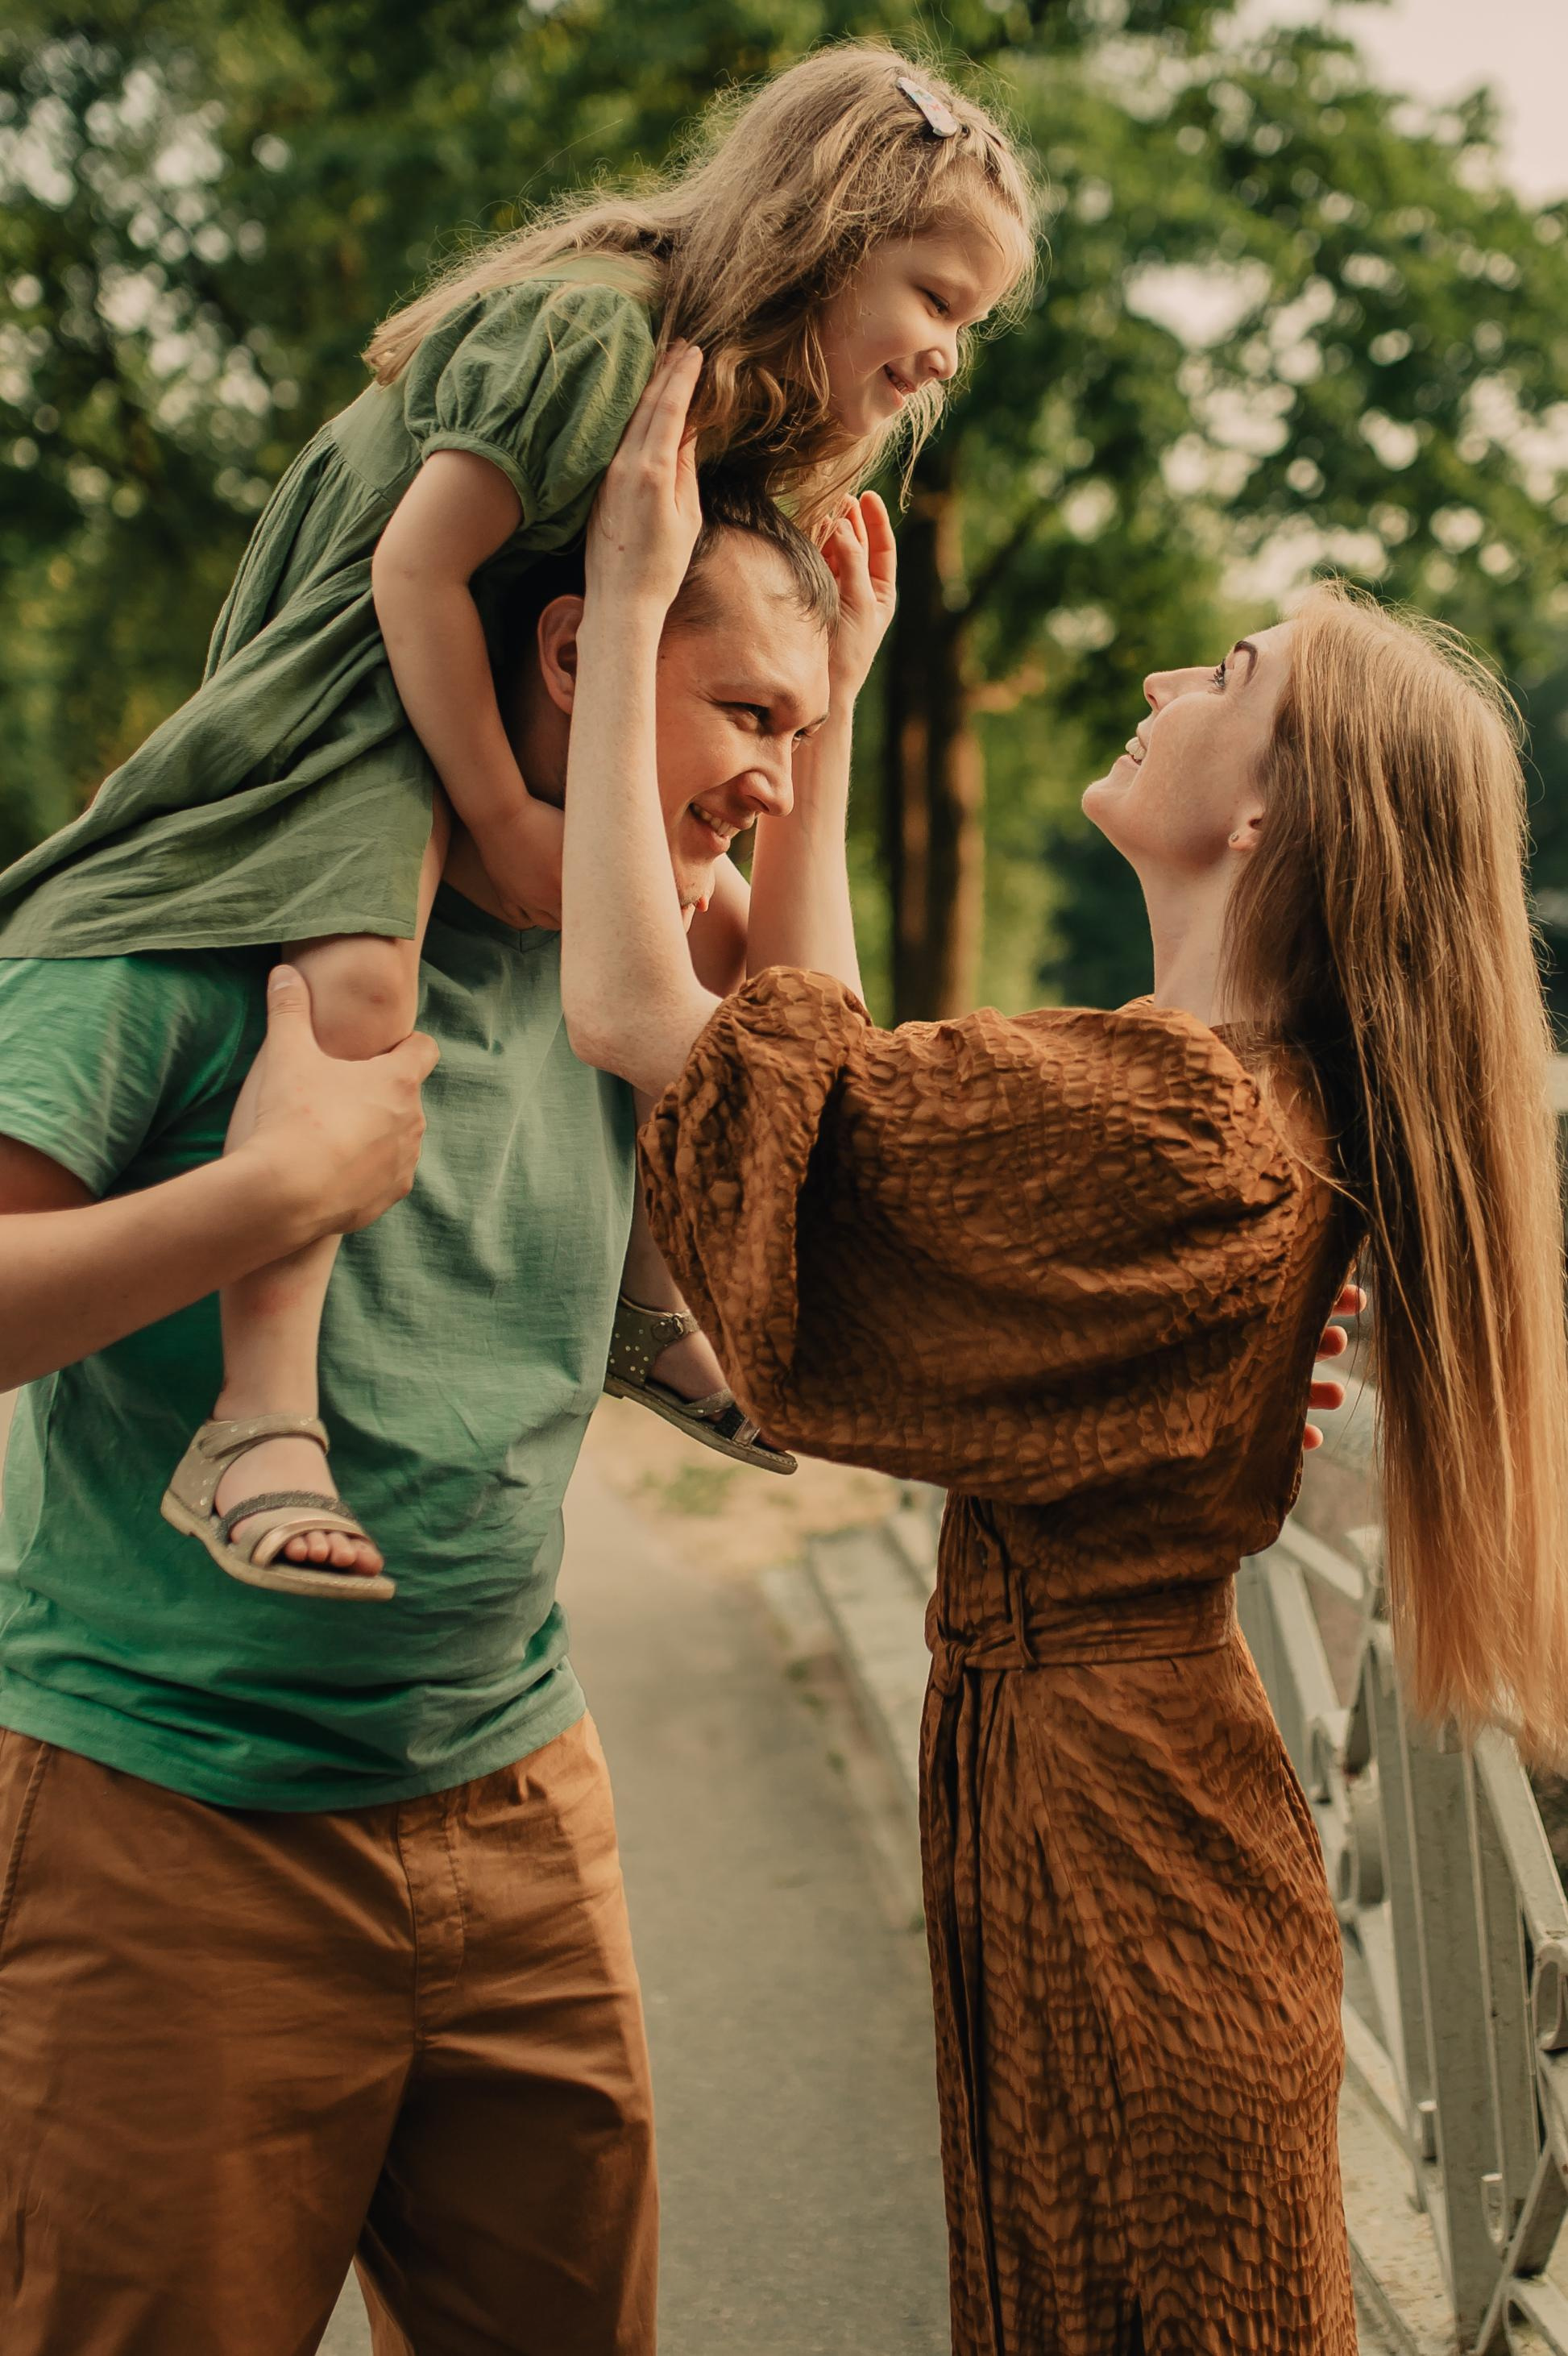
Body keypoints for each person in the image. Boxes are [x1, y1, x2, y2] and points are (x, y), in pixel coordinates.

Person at [558, 351, 1568, 2353]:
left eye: (1229, 674)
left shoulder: (1179, 1125)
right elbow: (825, 1099)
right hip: (1101, 1800)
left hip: (1124, 1843)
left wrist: (630, 607)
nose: (1172, 677)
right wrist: (835, 716)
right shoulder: (1199, 1089)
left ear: (1270, 810)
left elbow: (645, 1021)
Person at [0, 475, 863, 2355]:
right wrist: (265, 1196)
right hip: (169, 1833)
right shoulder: (197, 922)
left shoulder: (628, 963)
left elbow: (821, 1088)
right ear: (574, 652)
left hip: (518, 1800)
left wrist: (827, 714)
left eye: (804, 734)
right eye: (748, 713)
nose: (773, 780)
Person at [0, 47, 1037, 1591]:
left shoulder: (722, 415)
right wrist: (499, 806)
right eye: (935, 299)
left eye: (971, 323)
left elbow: (794, 1031)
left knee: (705, 971)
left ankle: (646, 1299)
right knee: (359, 986)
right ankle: (261, 1416)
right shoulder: (597, 335)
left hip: (453, 686)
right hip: (346, 692)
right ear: (827, 237)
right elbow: (412, 575)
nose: (946, 352)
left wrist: (820, 710)